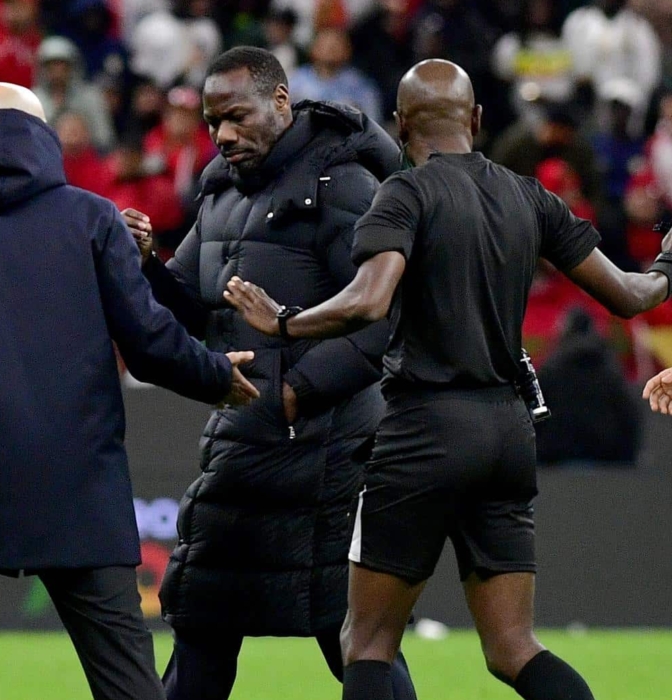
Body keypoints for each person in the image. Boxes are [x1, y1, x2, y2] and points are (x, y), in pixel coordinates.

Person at [224, 59, 672, 700]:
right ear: (478, 119)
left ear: (401, 125)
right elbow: (631, 294)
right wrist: (669, 260)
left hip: (424, 430)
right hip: (509, 433)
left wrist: (285, 322)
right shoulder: (530, 196)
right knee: (514, 648)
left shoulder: (404, 194)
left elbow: (369, 300)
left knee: (366, 641)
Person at [122, 46, 417, 700]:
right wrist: (146, 264)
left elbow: (385, 317)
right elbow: (190, 309)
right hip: (242, 445)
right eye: (212, 122)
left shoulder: (345, 185)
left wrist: (294, 392)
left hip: (334, 450)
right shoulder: (221, 193)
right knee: (200, 624)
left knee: (354, 640)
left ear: (280, 101)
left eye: (237, 116)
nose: (223, 135)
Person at [0, 82, 258, 700]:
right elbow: (148, 340)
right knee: (128, 684)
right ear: (43, 138)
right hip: (77, 487)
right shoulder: (90, 218)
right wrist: (215, 375)